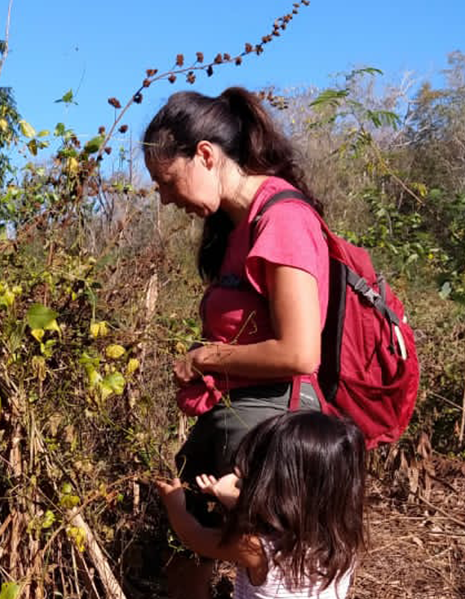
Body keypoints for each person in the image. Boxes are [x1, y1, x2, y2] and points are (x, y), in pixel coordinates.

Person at [142, 87, 331, 598]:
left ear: (205, 154)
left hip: (271, 431)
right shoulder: (235, 228)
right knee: (185, 553)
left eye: (167, 180)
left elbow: (300, 352)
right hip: (235, 421)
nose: (165, 197)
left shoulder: (283, 219)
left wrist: (209, 356)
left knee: (267, 574)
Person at [156, 411, 367, 598]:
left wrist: (175, 505)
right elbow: (269, 519)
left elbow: (193, 537)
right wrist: (226, 495)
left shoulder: (256, 549)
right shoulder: (343, 541)